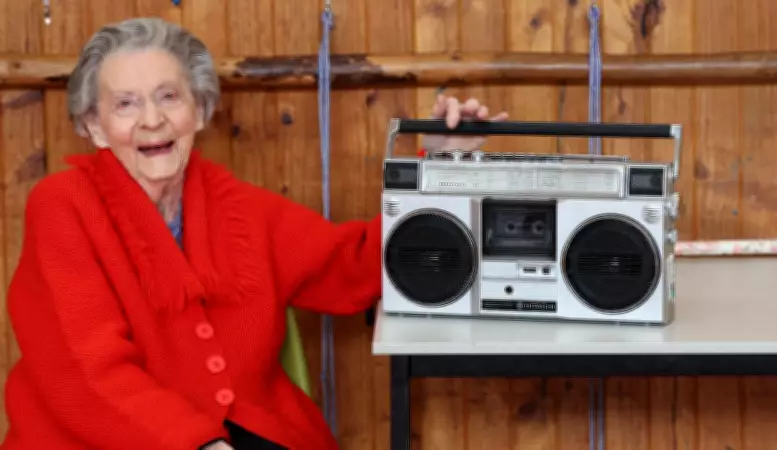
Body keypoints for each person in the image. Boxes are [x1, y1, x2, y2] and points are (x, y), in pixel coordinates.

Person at [0, 17, 508, 450]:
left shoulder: (240, 207)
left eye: (168, 97)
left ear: (199, 109)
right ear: (93, 125)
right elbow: (86, 375)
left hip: (248, 433)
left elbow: (356, 266)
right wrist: (200, 444)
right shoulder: (64, 205)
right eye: (126, 105)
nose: (152, 120)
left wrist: (443, 166)